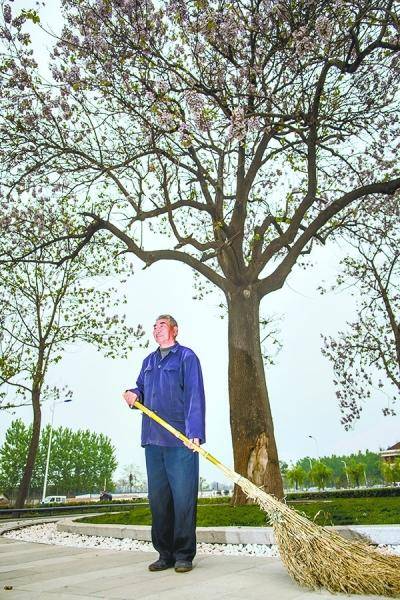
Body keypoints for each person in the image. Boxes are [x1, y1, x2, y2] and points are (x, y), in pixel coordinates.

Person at [123, 314, 206, 573]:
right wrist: (133, 394)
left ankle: (183, 554)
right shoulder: (148, 362)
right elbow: (142, 390)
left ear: (174, 330)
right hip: (153, 440)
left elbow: (195, 393)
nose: (156, 329)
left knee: (183, 499)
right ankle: (165, 554)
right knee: (158, 500)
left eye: (161, 325)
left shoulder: (186, 357)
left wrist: (195, 432)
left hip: (180, 440)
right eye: (154, 326)